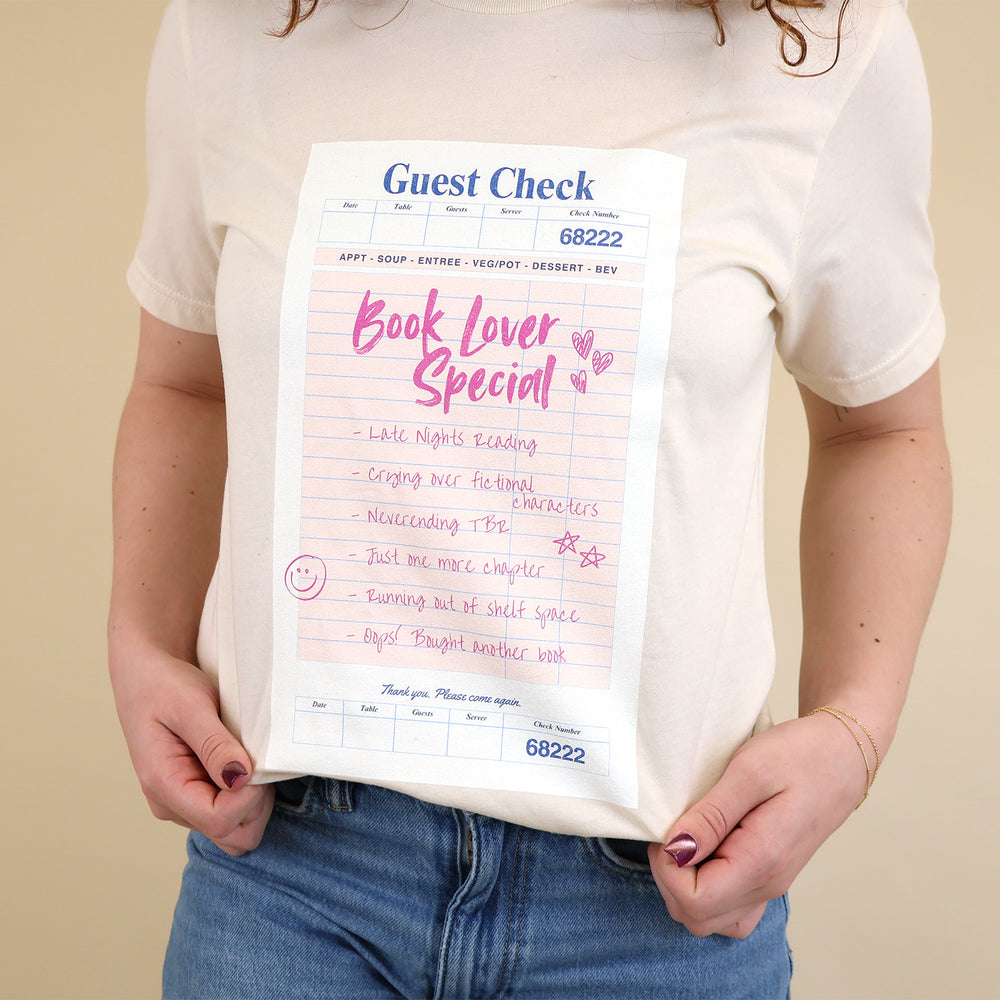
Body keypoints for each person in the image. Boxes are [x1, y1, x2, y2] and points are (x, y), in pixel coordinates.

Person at [109, 0, 951, 996]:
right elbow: (184, 381)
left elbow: (882, 426)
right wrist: (140, 643)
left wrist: (852, 728)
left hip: (653, 906)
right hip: (293, 877)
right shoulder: (237, 26)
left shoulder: (824, 41)